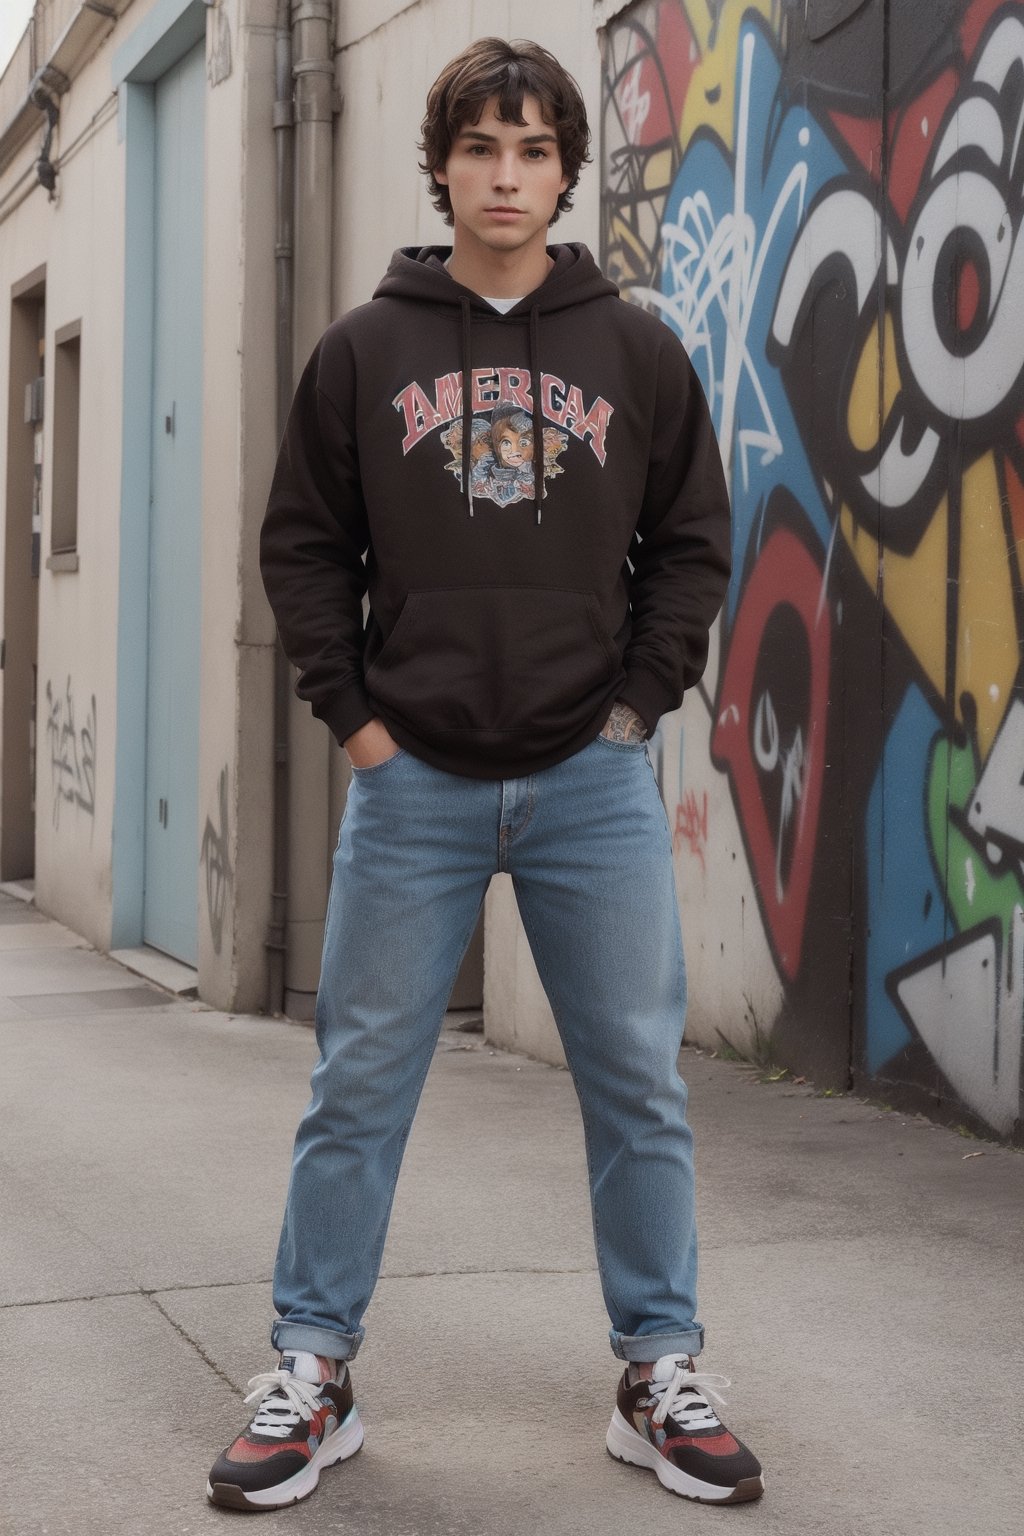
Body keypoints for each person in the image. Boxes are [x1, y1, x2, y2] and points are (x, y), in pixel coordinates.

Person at [207, 35, 764, 1512]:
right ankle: (313, 1370)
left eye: (531, 151)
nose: (505, 175)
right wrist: (359, 724)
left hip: (592, 775)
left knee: (637, 1080)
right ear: (443, 164)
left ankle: (660, 1368)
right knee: (360, 1084)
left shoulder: (634, 348)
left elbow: (693, 541)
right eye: (480, 148)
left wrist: (639, 709)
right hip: (416, 781)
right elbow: (306, 548)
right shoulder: (363, 349)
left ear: (565, 172)